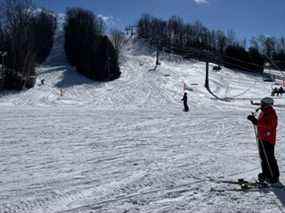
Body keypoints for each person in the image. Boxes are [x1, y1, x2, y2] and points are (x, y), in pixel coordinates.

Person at [247, 97, 280, 183]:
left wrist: (256, 122)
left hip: (268, 139)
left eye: (262, 103)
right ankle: (266, 173)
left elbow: (270, 125)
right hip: (262, 138)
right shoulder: (263, 111)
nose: (261, 105)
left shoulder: (271, 113)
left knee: (269, 157)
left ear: (266, 104)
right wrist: (254, 119)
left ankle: (274, 176)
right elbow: (261, 122)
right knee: (263, 157)